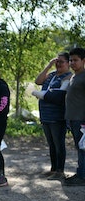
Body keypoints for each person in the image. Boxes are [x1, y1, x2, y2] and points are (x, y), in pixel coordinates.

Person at [33, 52, 72, 180]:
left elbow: (58, 96)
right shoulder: (51, 75)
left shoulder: (68, 77)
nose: (58, 64)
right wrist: (49, 65)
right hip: (45, 115)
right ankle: (54, 168)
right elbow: (38, 81)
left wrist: (40, 94)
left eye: (62, 62)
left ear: (68, 63)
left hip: (57, 116)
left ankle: (60, 171)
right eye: (57, 61)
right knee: (51, 144)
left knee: (58, 143)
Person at [64, 47, 85, 186]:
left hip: (81, 119)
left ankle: (82, 176)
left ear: (83, 61)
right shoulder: (73, 76)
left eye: (75, 60)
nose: (72, 63)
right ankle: (80, 172)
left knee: (83, 148)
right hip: (72, 118)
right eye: (70, 60)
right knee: (79, 147)